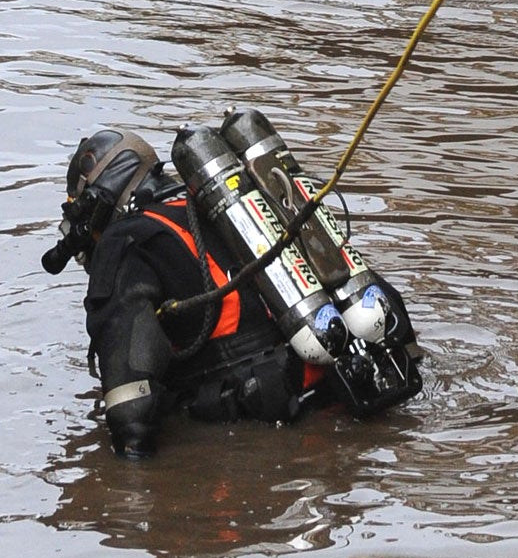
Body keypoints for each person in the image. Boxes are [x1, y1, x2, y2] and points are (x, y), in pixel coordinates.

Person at [49, 127, 419, 458]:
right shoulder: (236, 203)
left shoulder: (128, 240)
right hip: (362, 387)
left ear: (95, 204)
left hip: (275, 433)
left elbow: (131, 394)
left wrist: (128, 481)